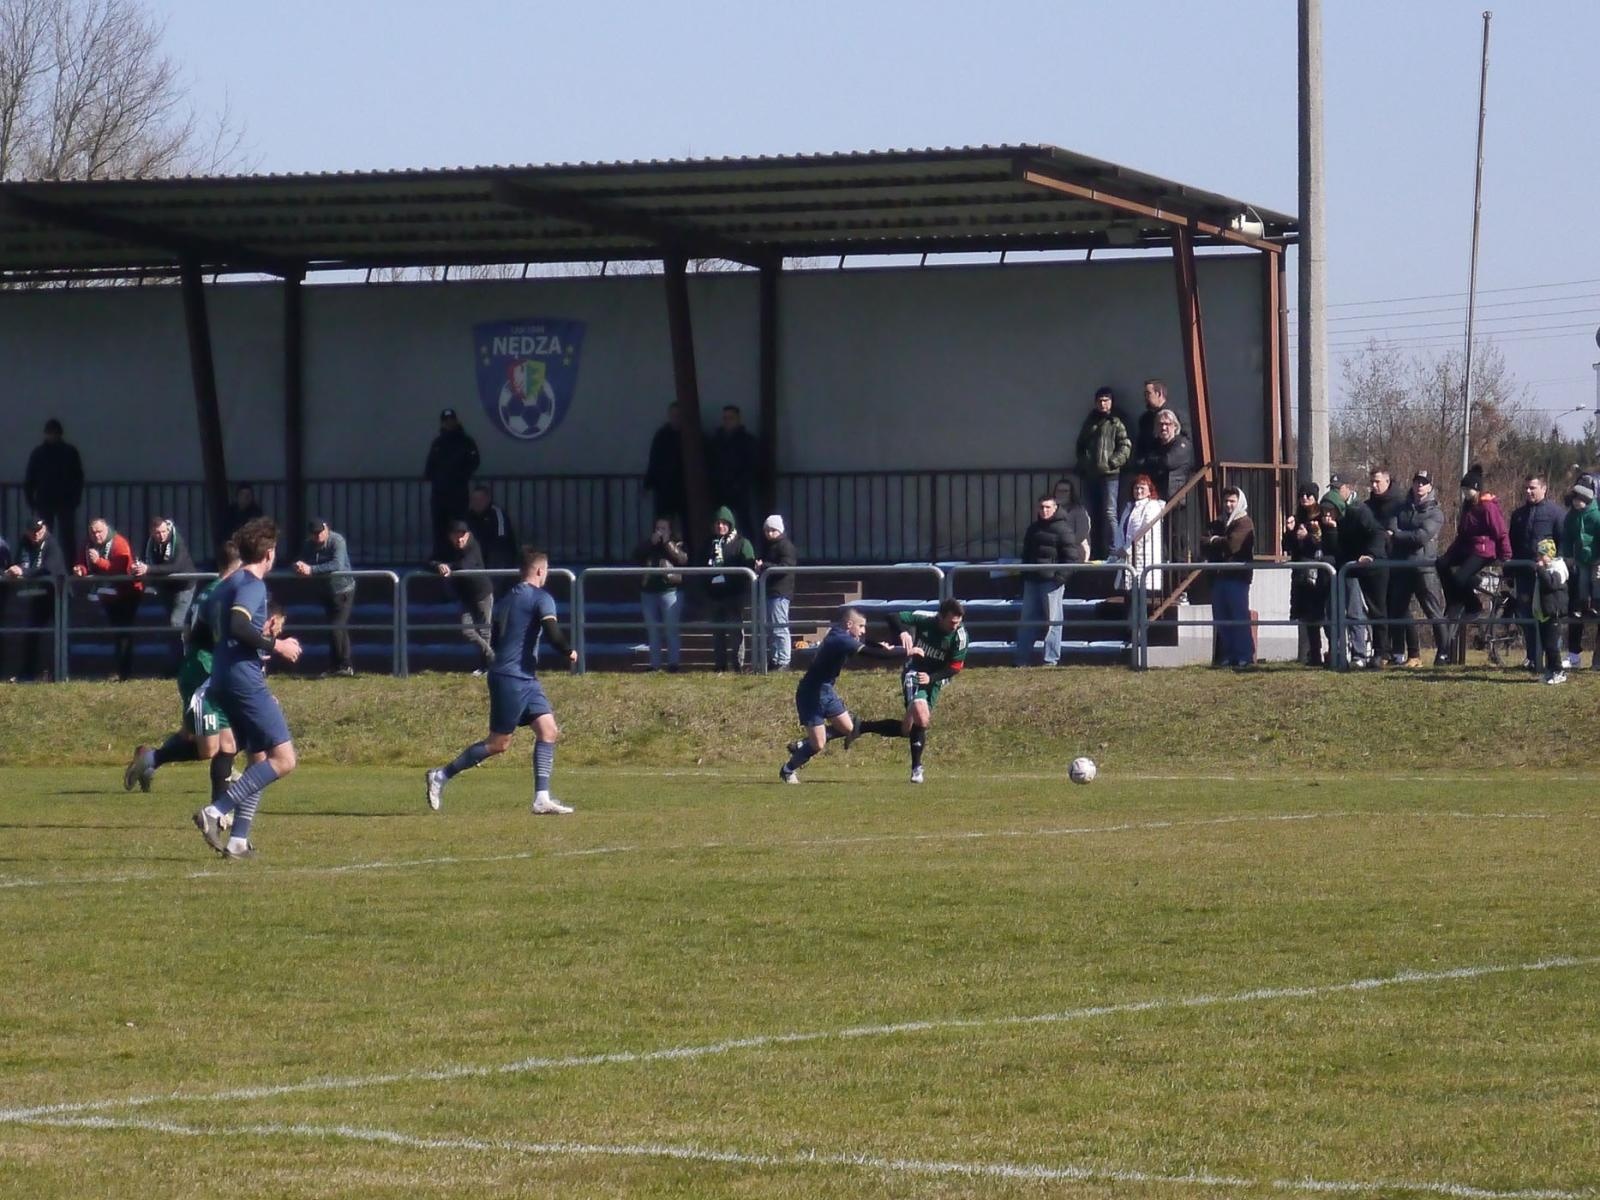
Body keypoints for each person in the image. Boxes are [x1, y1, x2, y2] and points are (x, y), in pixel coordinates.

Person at [425, 547, 578, 815]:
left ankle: (541, 798)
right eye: (547, 570)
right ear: (540, 570)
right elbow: (553, 634)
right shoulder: (542, 598)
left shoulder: (506, 600)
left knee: (548, 730)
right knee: (498, 743)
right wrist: (569, 651)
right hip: (512, 678)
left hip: (523, 677)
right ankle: (441, 775)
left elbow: (494, 639)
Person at [192, 517, 304, 860]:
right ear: (269, 553)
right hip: (243, 680)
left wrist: (257, 638)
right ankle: (215, 811)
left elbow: (208, 627)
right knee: (284, 760)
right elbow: (240, 626)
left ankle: (239, 840)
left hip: (222, 676)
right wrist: (277, 645)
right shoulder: (254, 585)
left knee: (259, 758)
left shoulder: (226, 585)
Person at [123, 541, 244, 800]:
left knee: (214, 739)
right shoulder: (221, 594)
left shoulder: (208, 590)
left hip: (202, 669)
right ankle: (152, 758)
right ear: (240, 565)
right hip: (203, 674)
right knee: (210, 748)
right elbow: (221, 636)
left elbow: (189, 630)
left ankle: (220, 794)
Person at [778, 607, 904, 783]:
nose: (863, 630)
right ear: (849, 624)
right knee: (819, 744)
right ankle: (788, 769)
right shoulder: (839, 639)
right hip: (811, 694)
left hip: (826, 690)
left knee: (849, 728)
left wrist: (880, 646)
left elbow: (866, 644)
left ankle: (803, 744)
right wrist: (906, 652)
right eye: (861, 626)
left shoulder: (841, 634)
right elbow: (871, 654)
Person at [852, 598, 968, 784]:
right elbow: (892, 616)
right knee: (922, 717)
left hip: (936, 677)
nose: (955, 626)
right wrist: (903, 632)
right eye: (952, 622)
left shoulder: (960, 636)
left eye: (958, 622)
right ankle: (916, 768)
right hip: (914, 671)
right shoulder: (926, 619)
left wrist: (933, 678)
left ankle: (861, 727)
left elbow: (955, 667)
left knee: (907, 729)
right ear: (940, 617)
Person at [1436, 464, 1511, 666]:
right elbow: (1462, 535)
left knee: (1461, 577)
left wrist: (1506, 556)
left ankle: (1473, 605)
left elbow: (1500, 531)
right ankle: (1455, 600)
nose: (1464, 493)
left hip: (1484, 549)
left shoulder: (1488, 507)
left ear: (1476, 489)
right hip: (1467, 547)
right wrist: (1448, 555)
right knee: (1442, 565)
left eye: (1467, 490)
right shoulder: (1467, 507)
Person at [1385, 471, 1449, 668]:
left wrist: (1398, 536)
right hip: (1402, 565)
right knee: (1398, 610)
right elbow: (1391, 527)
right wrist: (1401, 535)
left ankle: (1444, 652)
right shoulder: (1401, 508)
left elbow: (1421, 537)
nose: (1420, 486)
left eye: (1424, 483)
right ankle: (1401, 654)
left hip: (1425, 568)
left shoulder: (1435, 513)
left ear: (1430, 487)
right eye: (1417, 482)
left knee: (1433, 612)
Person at [1507, 475, 1566, 670]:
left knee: (1549, 618)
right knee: (1526, 617)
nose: (1528, 492)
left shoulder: (1556, 513)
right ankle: (1533, 657)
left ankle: (1552, 663)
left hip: (1546, 578)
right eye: (1526, 488)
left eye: (1532, 488)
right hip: (1524, 575)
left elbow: (1562, 543)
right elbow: (1512, 545)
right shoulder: (1518, 515)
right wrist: (1509, 570)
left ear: (1544, 488)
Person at [72, 516, 142, 681]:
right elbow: (82, 563)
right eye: (93, 532)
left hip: (127, 593)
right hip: (107, 594)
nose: (97, 536)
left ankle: (125, 672)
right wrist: (80, 570)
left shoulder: (119, 543)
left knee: (123, 632)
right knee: (116, 631)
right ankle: (118, 670)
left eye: (100, 532)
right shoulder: (88, 545)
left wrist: (99, 561)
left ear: (107, 530)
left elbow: (119, 569)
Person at [1014, 495, 1076, 667]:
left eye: (1048, 507)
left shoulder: (1064, 529)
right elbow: (1026, 554)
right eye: (1041, 507)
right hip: (1032, 580)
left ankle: (1050, 660)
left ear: (1055, 508)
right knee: (1027, 621)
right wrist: (1024, 575)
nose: (1044, 510)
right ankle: (1021, 659)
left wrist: (1059, 579)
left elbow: (1071, 557)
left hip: (1051, 582)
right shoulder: (1033, 529)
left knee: (1053, 622)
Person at [4, 517, 65, 680]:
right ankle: (28, 672)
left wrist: (24, 572)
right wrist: (15, 569)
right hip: (37, 595)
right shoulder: (25, 542)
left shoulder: (52, 544)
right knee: (31, 633)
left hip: (57, 596)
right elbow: (19, 561)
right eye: (33, 532)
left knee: (59, 634)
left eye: (39, 531)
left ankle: (57, 673)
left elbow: (48, 569)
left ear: (44, 529)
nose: (36, 535)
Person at [1074, 387, 1131, 560]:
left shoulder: (1116, 421)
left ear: (1111, 402)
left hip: (1110, 474)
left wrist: (1112, 462)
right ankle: (1095, 550)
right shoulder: (1090, 421)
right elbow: (1080, 445)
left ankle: (1114, 550)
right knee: (1091, 513)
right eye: (1099, 400)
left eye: (1106, 400)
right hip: (1091, 474)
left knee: (1110, 512)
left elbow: (1125, 445)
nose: (1102, 403)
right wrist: (1085, 463)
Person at [294, 517, 356, 677]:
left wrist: (311, 570)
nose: (318, 537)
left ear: (326, 528)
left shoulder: (337, 541)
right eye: (314, 534)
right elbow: (301, 559)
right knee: (336, 628)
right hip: (326, 591)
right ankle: (340, 665)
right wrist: (298, 566)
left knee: (336, 627)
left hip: (343, 590)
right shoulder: (309, 545)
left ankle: (342, 665)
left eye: (320, 532)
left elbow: (337, 565)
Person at [1334, 483, 1387, 668]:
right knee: (1350, 610)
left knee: (1376, 610)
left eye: (1338, 487)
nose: (1335, 491)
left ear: (1348, 488)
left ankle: (1380, 653)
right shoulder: (1338, 510)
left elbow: (1378, 533)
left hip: (1372, 566)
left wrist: (1371, 554)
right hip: (1352, 567)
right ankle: (1349, 654)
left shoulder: (1359, 510)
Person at [134, 516, 198, 669]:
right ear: (152, 532)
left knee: (176, 623)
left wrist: (148, 569)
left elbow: (175, 567)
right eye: (157, 533)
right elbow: (148, 562)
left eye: (164, 531)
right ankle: (176, 663)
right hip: (167, 588)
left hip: (184, 587)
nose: (162, 535)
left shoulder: (178, 542)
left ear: (168, 529)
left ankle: (181, 665)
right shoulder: (151, 544)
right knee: (174, 626)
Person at [430, 520, 493, 674]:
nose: (460, 540)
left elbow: (466, 564)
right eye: (456, 536)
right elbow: (430, 560)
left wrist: (448, 566)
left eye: (462, 536)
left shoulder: (473, 545)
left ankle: (487, 666)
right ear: (450, 537)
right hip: (465, 595)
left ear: (468, 535)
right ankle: (492, 658)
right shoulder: (447, 548)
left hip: (481, 593)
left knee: (485, 630)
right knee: (467, 629)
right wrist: (438, 565)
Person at [1203, 486, 1255, 668]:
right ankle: (1228, 655)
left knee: (1238, 616)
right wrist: (1215, 541)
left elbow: (1232, 545)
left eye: (1232, 501)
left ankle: (1244, 655)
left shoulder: (1244, 522)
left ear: (1239, 502)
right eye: (1226, 501)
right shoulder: (1219, 523)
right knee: (1222, 618)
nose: (1228, 505)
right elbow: (1202, 542)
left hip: (1237, 578)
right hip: (1218, 577)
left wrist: (1214, 541)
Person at [23, 418, 84, 565]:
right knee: (42, 536)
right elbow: (30, 479)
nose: (52, 436)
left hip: (63, 502)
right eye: (50, 433)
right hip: (46, 501)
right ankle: (44, 565)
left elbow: (77, 477)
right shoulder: (41, 454)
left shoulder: (67, 452)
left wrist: (75, 499)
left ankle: (69, 566)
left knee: (67, 538)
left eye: (54, 433)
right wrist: (32, 502)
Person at [705, 506, 756, 672]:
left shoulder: (742, 543)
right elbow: (700, 567)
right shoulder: (709, 544)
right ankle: (719, 665)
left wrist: (735, 583)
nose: (720, 526)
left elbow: (748, 566)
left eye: (724, 523)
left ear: (730, 524)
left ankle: (737, 665)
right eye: (717, 523)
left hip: (735, 595)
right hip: (714, 596)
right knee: (717, 632)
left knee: (736, 632)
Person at [424, 407, 480, 556]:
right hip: (440, 494)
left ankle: (461, 556)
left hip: (458, 494)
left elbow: (474, 462)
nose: (449, 423)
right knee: (440, 528)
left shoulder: (466, 442)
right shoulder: (438, 443)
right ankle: (440, 557)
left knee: (459, 526)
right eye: (446, 421)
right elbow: (429, 468)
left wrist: (460, 475)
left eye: (451, 420)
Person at [635, 516, 687, 671]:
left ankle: (673, 664)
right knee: (653, 629)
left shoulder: (678, 543)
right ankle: (654, 665)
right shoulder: (649, 544)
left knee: (671, 628)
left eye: (664, 528)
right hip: (648, 591)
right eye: (658, 528)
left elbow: (682, 559)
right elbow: (636, 555)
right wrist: (651, 543)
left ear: (670, 530)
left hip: (670, 591)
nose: (660, 531)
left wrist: (667, 543)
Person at [1363, 470, 1402, 662]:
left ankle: (1403, 651)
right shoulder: (1367, 506)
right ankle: (1381, 650)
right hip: (1375, 564)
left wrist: (1390, 535)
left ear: (1388, 481)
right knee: (1377, 608)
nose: (1374, 485)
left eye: (1377, 481)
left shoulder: (1399, 504)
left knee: (1398, 608)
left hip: (1395, 560)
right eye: (1372, 482)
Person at [1561, 481, 1600, 669]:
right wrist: (1567, 555)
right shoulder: (1572, 517)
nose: (1576, 504)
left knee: (1596, 580)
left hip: (1596, 556)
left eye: (1579, 500)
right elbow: (1567, 536)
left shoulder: (1596, 515)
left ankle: (1596, 605)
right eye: (1574, 500)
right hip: (1582, 558)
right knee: (1583, 582)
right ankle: (1584, 605)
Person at [707, 404, 761, 538]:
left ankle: (748, 555)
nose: (727, 421)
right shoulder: (715, 441)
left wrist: (740, 483)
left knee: (743, 523)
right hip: (719, 490)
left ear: (738, 419)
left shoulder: (747, 441)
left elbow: (752, 466)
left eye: (731, 418)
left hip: (740, 490)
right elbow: (710, 464)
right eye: (725, 418)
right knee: (720, 524)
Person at [1110, 474, 1163, 595]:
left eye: (1142, 488)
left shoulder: (1152, 506)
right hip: (1126, 560)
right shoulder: (1129, 507)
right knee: (1129, 595)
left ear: (1150, 491)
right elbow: (1120, 531)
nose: (1138, 491)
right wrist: (1119, 548)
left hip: (1143, 558)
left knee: (1141, 592)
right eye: (1136, 488)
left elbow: (1146, 531)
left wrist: (1127, 549)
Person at [757, 514, 797, 670]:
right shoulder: (769, 546)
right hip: (771, 591)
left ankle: (783, 660)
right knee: (772, 628)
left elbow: (785, 567)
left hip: (780, 591)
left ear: (780, 530)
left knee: (779, 627)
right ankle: (775, 659)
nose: (769, 533)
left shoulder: (785, 546)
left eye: (773, 530)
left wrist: (764, 566)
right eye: (767, 530)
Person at [1532, 538, 1569, 685]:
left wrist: (1540, 569)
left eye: (1542, 555)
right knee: (1547, 645)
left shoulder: (1557, 568)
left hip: (1554, 612)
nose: (1539, 558)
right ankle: (1550, 671)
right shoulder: (1546, 569)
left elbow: (1551, 585)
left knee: (1553, 645)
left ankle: (1559, 671)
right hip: (1544, 613)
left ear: (1550, 554)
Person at [643, 402, 686, 524]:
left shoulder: (690, 435)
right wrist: (648, 483)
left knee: (684, 524)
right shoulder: (662, 436)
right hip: (665, 488)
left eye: (678, 415)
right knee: (664, 523)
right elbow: (654, 460)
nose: (675, 418)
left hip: (683, 489)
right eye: (673, 415)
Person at [466, 485, 518, 579]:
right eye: (474, 499)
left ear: (488, 499)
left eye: (480, 499)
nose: (477, 503)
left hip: (498, 557)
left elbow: (501, 540)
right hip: (478, 555)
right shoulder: (469, 516)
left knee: (497, 556)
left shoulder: (497, 513)